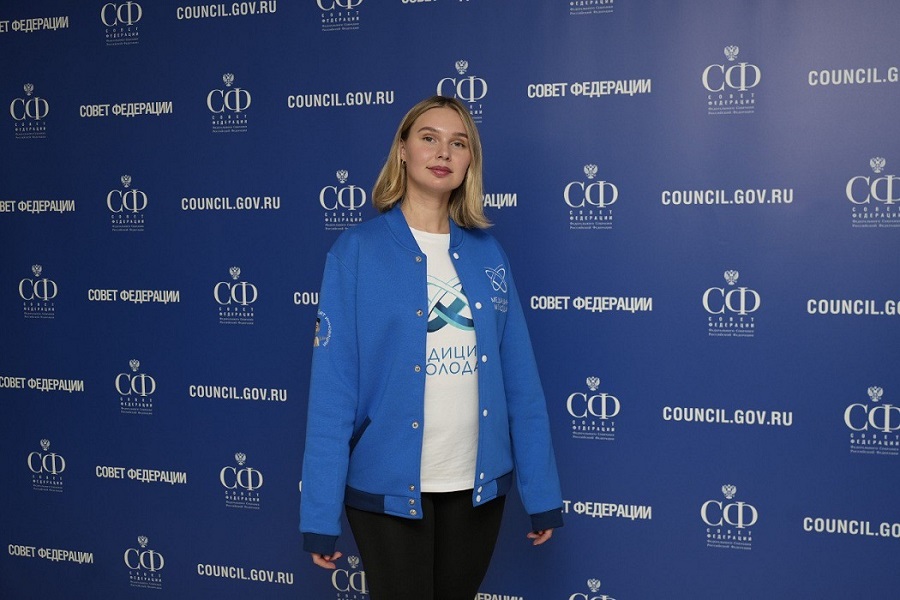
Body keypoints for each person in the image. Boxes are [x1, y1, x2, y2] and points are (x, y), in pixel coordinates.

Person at [299, 95, 563, 599]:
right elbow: (332, 392)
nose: (443, 152)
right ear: (402, 150)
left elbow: (521, 383)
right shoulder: (356, 252)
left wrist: (543, 494)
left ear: (469, 163)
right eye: (429, 137)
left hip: (477, 488)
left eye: (458, 143)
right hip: (386, 489)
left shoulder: (488, 253)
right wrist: (319, 514)